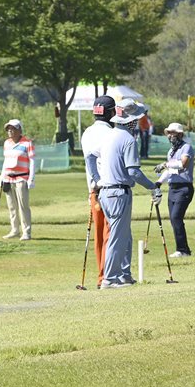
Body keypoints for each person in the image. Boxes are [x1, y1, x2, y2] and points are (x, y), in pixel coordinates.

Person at [85, 98, 161, 289]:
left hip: (106, 193)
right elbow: (133, 172)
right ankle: (110, 279)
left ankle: (124, 275)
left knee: (124, 235)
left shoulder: (110, 136)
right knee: (117, 237)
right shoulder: (127, 139)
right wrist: (152, 186)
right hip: (118, 193)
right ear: (131, 120)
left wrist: (96, 178)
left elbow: (90, 156)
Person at [80, 95, 115, 289]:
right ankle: (107, 275)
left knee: (99, 234)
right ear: (111, 113)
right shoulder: (111, 133)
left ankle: (101, 276)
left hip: (92, 190)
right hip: (108, 189)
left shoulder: (87, 133)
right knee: (109, 234)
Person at [155, 122, 195, 258]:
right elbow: (171, 171)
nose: (170, 136)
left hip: (184, 188)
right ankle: (183, 249)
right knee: (174, 219)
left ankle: (183, 250)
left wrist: (165, 164)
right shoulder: (171, 151)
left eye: (173, 133)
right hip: (173, 188)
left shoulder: (186, 148)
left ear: (180, 134)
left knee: (176, 217)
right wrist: (159, 182)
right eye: (169, 133)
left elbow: (183, 164)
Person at [0, 119, 35, 240]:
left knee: (23, 206)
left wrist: (31, 179)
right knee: (12, 207)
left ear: (19, 130)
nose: (10, 131)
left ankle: (26, 232)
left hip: (21, 178)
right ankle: (14, 230)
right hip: (8, 178)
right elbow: (5, 161)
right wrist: (1, 176)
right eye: (8, 129)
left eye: (13, 129)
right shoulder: (7, 143)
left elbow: (32, 161)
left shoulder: (27, 143)